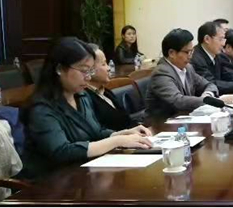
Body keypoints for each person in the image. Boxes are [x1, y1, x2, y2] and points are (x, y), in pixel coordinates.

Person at [24, 37, 151, 177]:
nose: (88, 78)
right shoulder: (41, 108)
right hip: (52, 181)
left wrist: (124, 134)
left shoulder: (82, 96)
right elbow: (62, 151)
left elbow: (96, 132)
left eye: (90, 71)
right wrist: (116, 141)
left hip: (84, 173)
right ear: (60, 69)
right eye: (84, 71)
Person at [146, 29, 219, 120]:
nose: (190, 56)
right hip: (161, 124)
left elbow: (209, 85)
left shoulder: (188, 68)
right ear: (171, 53)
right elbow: (178, 101)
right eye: (187, 52)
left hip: (184, 119)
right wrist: (207, 101)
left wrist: (208, 94)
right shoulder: (161, 73)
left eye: (192, 51)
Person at [85, 44, 141, 131]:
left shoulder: (106, 92)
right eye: (104, 64)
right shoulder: (85, 99)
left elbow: (125, 120)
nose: (108, 68)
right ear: (89, 69)